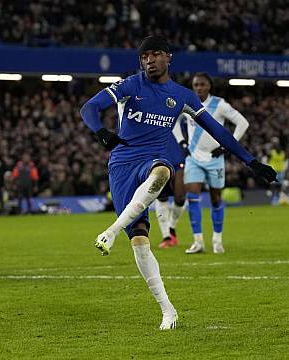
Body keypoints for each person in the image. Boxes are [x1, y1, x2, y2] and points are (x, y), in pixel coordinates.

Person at [80, 36, 276, 330]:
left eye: (155, 54)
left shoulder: (182, 95)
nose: (149, 60)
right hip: (121, 166)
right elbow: (88, 108)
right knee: (140, 243)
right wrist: (100, 131)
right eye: (145, 56)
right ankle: (168, 310)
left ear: (168, 58)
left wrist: (251, 161)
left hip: (153, 160)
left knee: (163, 172)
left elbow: (219, 131)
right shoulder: (130, 85)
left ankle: (111, 230)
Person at [174, 73, 250, 254]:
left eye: (202, 84)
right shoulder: (187, 103)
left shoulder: (219, 105)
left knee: (216, 199)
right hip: (193, 158)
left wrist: (227, 146)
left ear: (209, 86)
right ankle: (198, 241)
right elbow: (174, 122)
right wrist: (181, 142)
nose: (199, 88)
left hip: (215, 160)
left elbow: (242, 123)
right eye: (196, 85)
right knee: (192, 197)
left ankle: (217, 240)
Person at [154, 135, 187, 249]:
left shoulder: (179, 118)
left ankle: (171, 227)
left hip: (179, 159)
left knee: (180, 198)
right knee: (162, 197)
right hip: (159, 158)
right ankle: (166, 236)